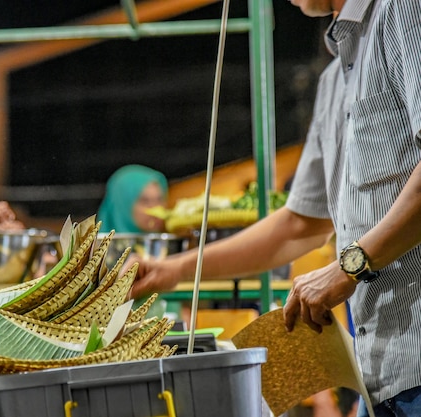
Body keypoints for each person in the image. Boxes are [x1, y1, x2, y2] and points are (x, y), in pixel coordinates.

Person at [130, 0, 421, 415]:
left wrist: (349, 266)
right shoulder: (333, 82)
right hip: (379, 373)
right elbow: (299, 224)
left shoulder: (404, 10)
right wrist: (175, 269)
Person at [97, 164, 168, 233]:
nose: (156, 208)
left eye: (159, 200)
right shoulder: (92, 244)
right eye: (145, 201)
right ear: (123, 205)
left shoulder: (167, 242)